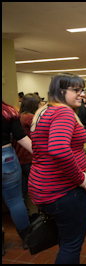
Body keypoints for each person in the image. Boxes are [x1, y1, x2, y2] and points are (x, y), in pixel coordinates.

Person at [28, 73, 86, 264]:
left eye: (82, 90)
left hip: (43, 187)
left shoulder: (45, 111)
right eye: (76, 90)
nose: (81, 94)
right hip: (63, 190)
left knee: (66, 241)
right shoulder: (63, 113)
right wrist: (78, 177)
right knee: (71, 245)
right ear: (61, 91)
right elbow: (58, 150)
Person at [2, 101, 32, 253]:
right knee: (15, 201)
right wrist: (43, 155)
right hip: (6, 158)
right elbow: (21, 138)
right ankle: (27, 238)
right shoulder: (8, 112)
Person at [13, 93, 41, 203]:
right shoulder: (31, 118)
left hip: (20, 158)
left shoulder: (20, 116)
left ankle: (25, 216)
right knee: (39, 188)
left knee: (23, 191)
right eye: (39, 103)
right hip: (30, 158)